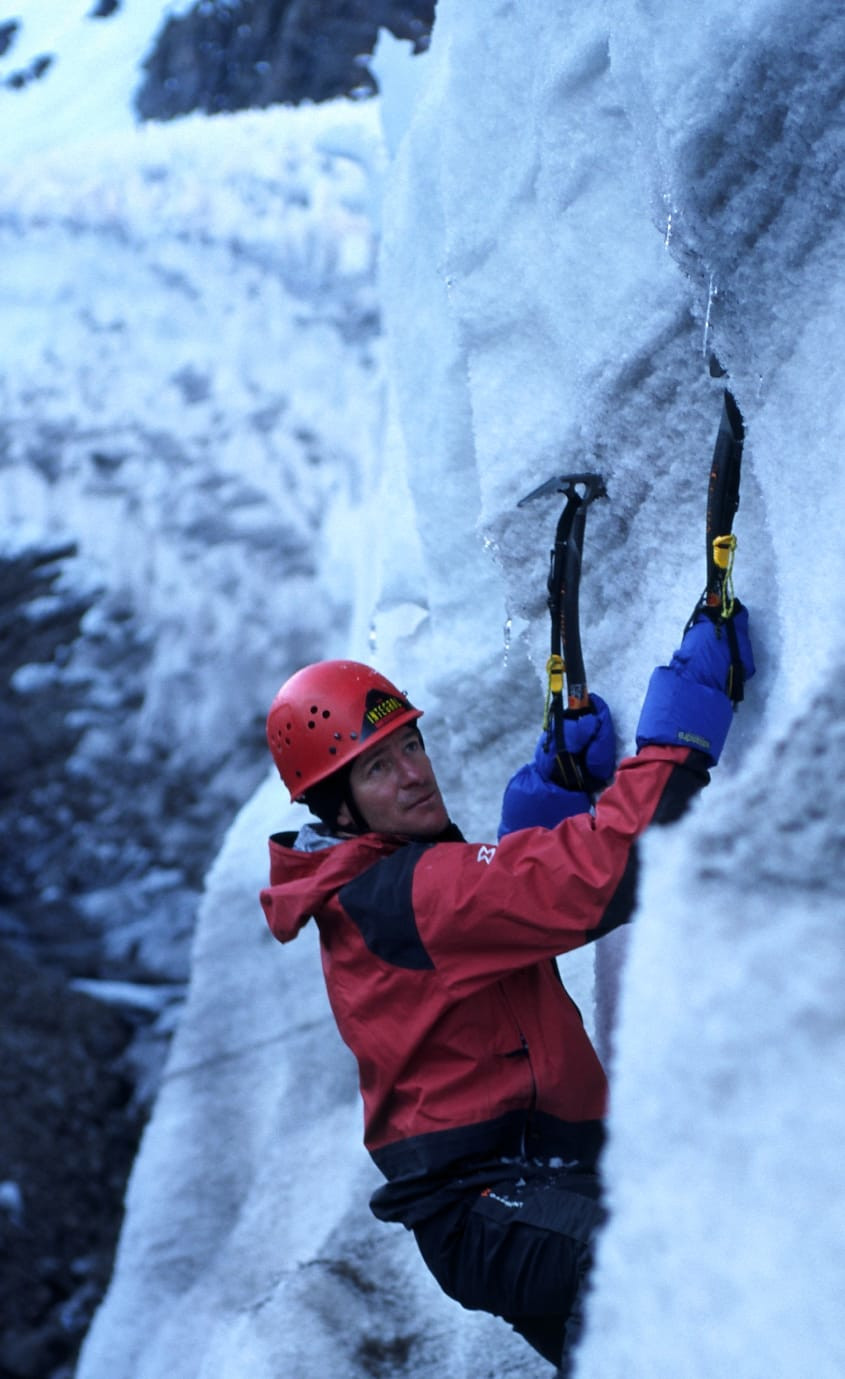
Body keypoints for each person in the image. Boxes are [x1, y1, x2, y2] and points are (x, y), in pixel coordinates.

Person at [259, 606, 754, 1375]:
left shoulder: (384, 881)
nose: (415, 771)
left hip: (539, 1185)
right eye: (378, 766)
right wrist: (676, 736)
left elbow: (497, 913)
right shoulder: (397, 892)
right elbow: (600, 874)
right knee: (657, 1266)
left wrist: (551, 799)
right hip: (486, 1206)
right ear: (336, 804)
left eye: (410, 745)